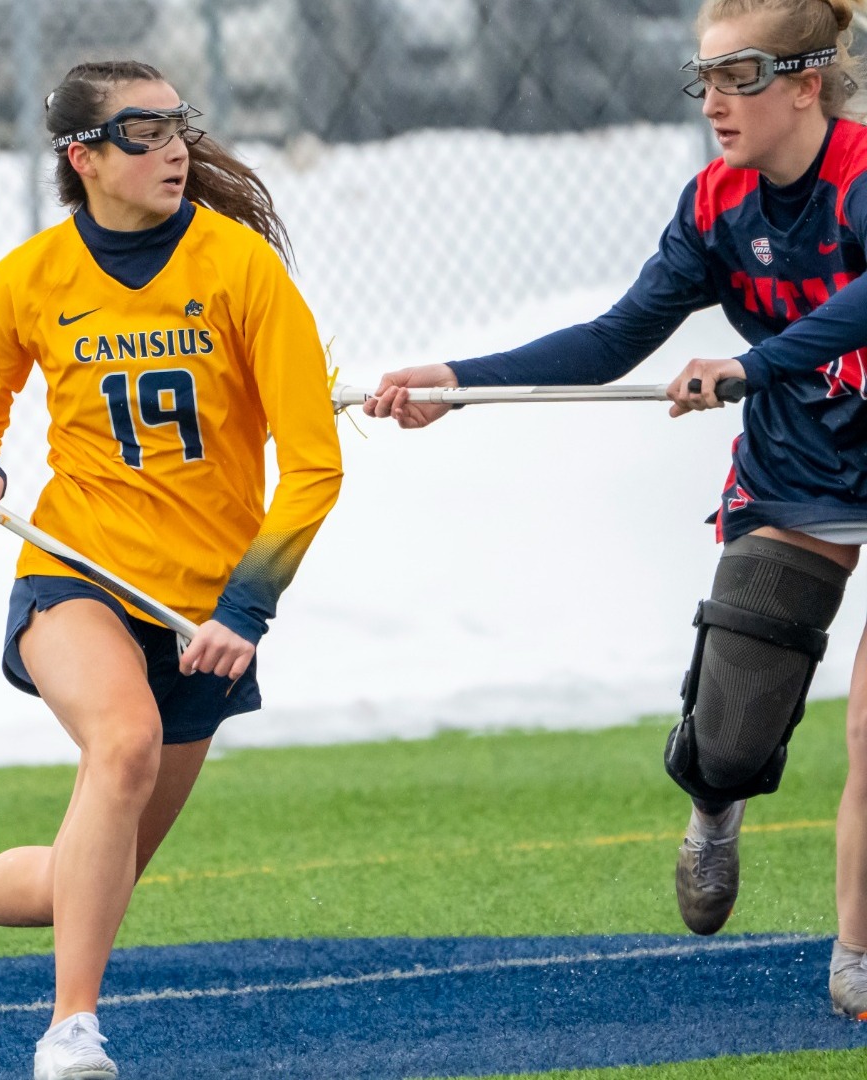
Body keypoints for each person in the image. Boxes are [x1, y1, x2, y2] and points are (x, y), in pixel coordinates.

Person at [0, 61, 343, 1078]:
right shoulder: (28, 279)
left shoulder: (242, 271)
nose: (173, 147)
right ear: (83, 158)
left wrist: (247, 608)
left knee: (84, 882)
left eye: (176, 125)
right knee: (125, 740)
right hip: (78, 575)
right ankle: (71, 1030)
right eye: (140, 132)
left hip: (205, 613)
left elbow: (312, 467)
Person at [365, 0, 867, 1019]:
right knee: (730, 732)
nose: (713, 103)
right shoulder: (716, 204)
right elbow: (611, 339)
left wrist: (752, 362)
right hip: (799, 473)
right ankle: (715, 808)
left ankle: (855, 956)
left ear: (809, 83)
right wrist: (460, 382)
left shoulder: (863, 176)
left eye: (741, 76)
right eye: (704, 78)